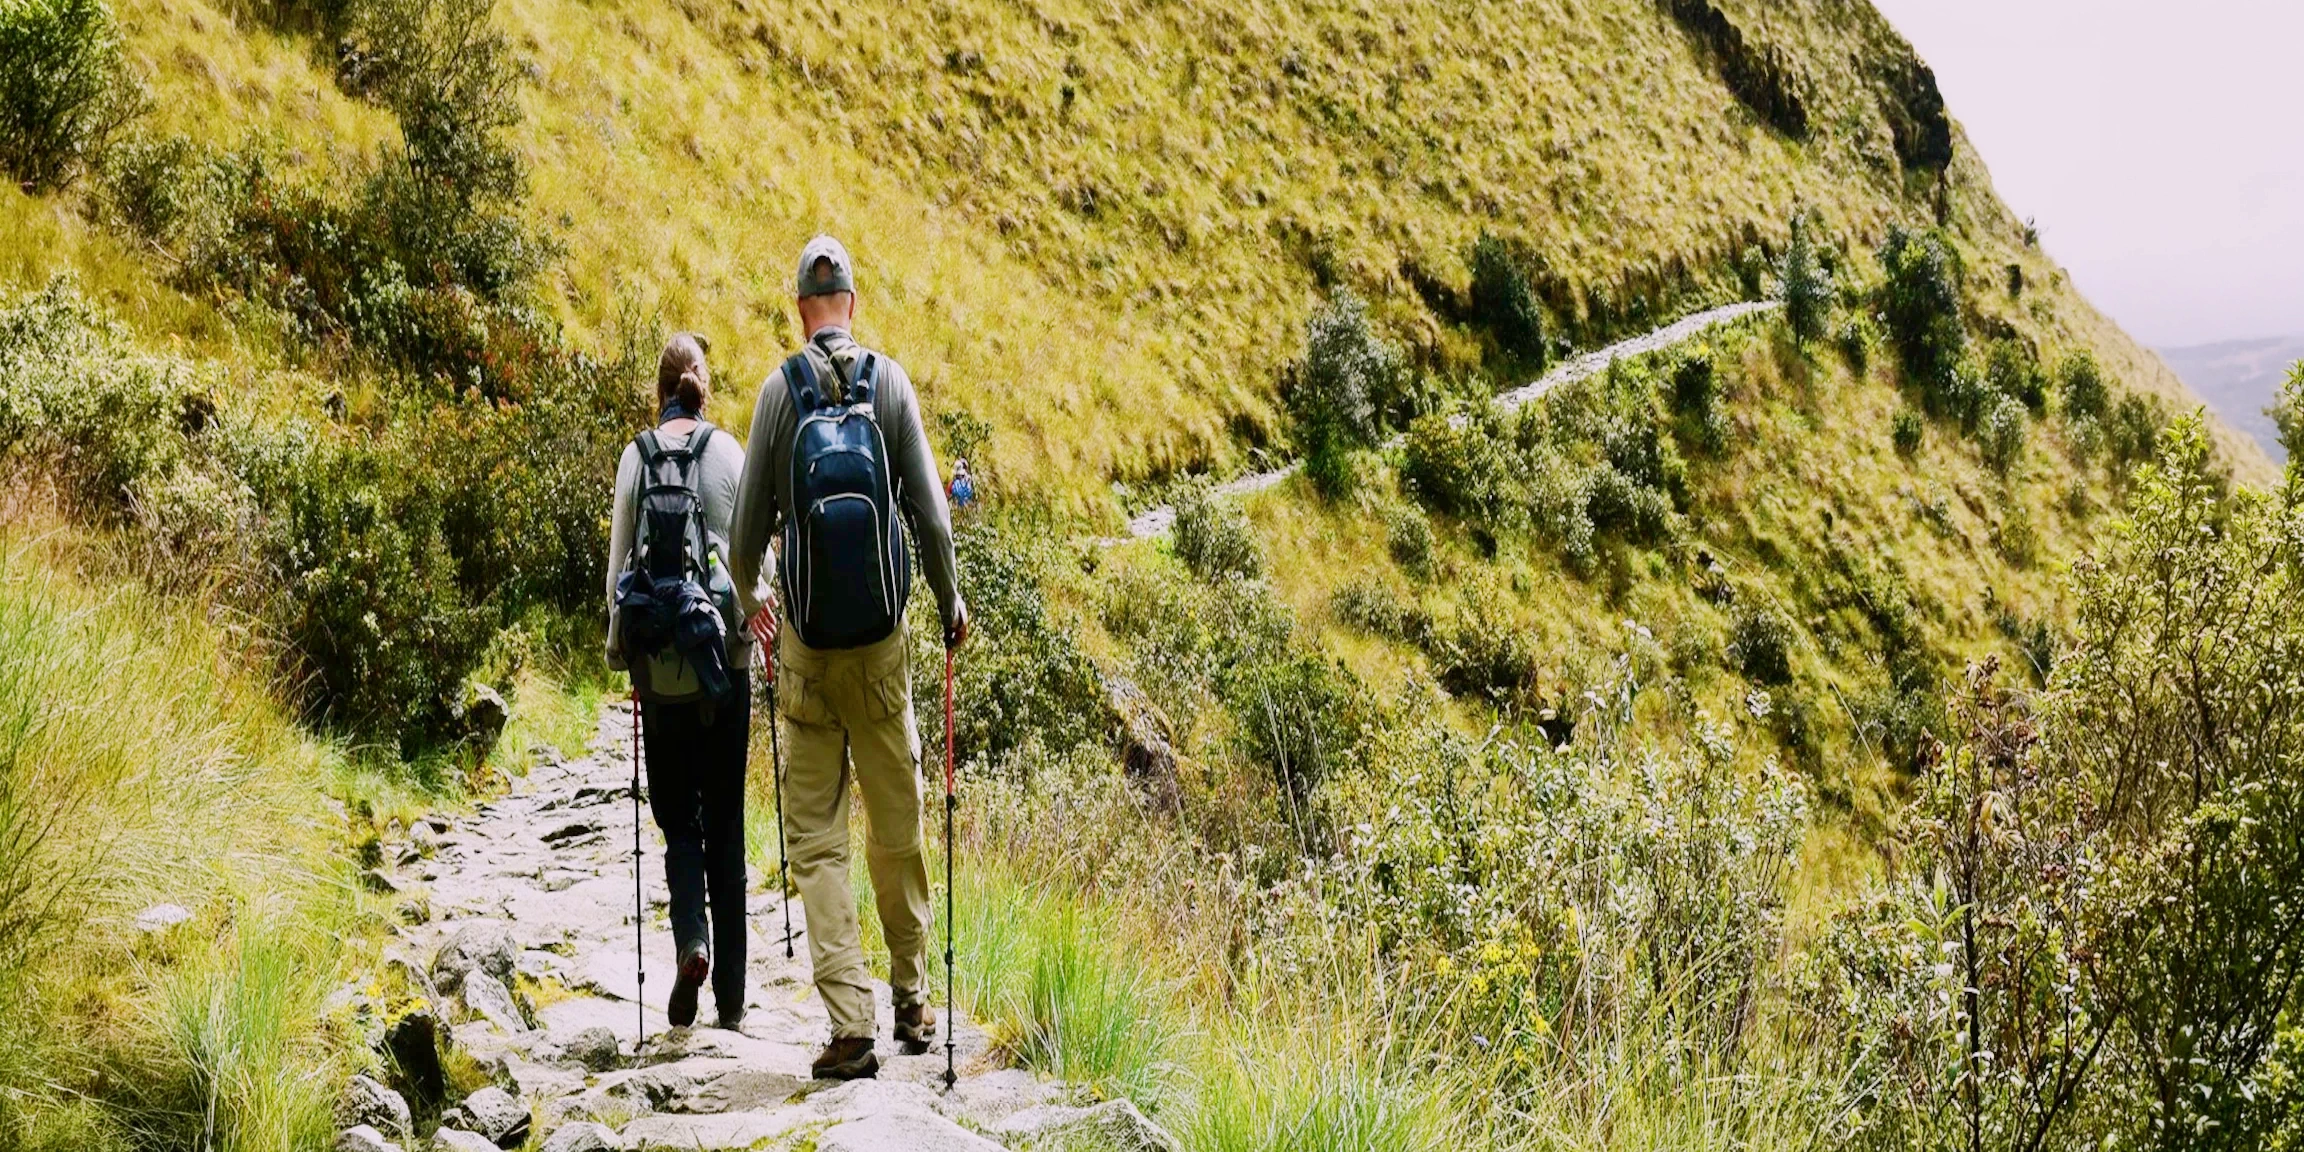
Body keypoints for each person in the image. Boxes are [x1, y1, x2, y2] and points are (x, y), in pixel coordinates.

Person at [729, 236, 967, 1082]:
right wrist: (952, 603)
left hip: (805, 655)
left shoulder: (776, 395)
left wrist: (757, 606)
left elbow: (743, 536)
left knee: (818, 841)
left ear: (800, 310)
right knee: (895, 823)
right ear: (853, 304)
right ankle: (912, 998)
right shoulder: (889, 384)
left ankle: (849, 1023)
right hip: (881, 649)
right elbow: (932, 521)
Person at [605, 332, 764, 1031]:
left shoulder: (634, 460)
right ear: (703, 385)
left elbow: (618, 578)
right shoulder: (730, 454)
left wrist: (623, 657)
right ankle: (731, 1002)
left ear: (659, 387)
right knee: (727, 824)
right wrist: (761, 623)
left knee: (679, 827)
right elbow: (753, 567)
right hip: (724, 671)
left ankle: (690, 942)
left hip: (661, 682)